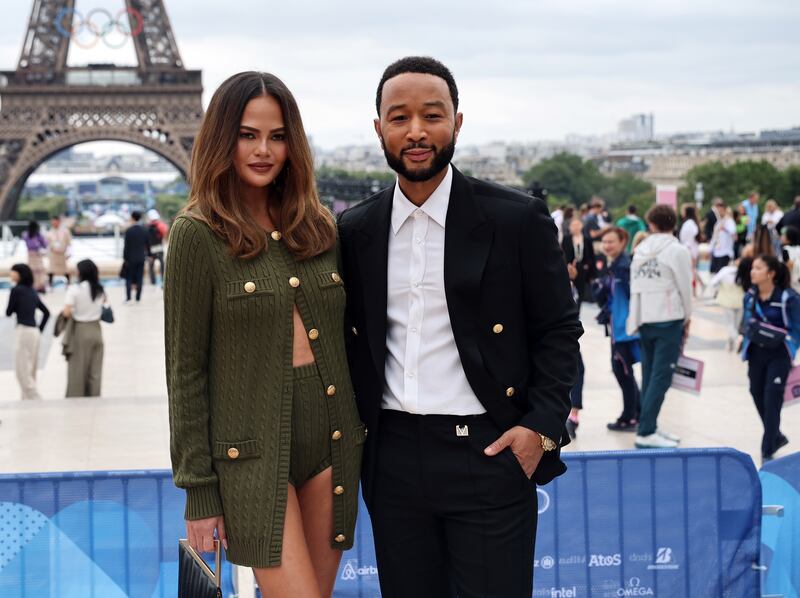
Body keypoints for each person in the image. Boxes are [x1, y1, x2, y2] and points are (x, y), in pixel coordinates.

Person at [338, 56, 582, 598]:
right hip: (393, 459)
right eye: (399, 118)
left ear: (458, 122)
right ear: (378, 129)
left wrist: (539, 427)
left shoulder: (517, 220)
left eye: (433, 115)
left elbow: (559, 330)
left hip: (489, 451)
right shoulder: (354, 231)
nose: (417, 131)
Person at [164, 72, 362, 598]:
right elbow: (185, 373)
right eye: (248, 134)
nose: (263, 149)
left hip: (333, 442)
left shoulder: (319, 228)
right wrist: (199, 492)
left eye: (277, 136)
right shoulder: (196, 234)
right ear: (221, 138)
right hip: (250, 457)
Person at [627, 204, 692, 449]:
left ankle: (649, 425)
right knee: (661, 376)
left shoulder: (641, 248)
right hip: (668, 317)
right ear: (674, 223)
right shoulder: (677, 250)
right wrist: (687, 315)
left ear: (651, 224)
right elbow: (685, 285)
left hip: (644, 318)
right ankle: (645, 430)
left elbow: (635, 286)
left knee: (649, 374)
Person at [741, 255, 796, 461]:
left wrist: (791, 346)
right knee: (756, 392)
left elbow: (797, 328)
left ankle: (767, 449)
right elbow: (746, 323)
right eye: (753, 268)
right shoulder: (749, 296)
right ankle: (776, 435)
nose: (752, 272)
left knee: (772, 396)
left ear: (771, 273)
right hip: (756, 352)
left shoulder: (787, 298)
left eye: (758, 268)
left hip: (779, 354)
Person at [593, 228, 641, 432]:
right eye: (604, 242)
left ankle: (630, 416)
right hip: (618, 328)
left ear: (623, 242)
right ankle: (634, 414)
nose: (606, 246)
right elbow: (601, 297)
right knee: (624, 372)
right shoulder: (612, 266)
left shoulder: (625, 267)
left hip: (626, 330)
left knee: (622, 371)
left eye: (611, 241)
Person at [5, 263, 49, 400]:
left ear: (19, 274)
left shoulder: (16, 290)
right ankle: (26, 402)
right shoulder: (32, 291)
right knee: (31, 371)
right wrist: (40, 329)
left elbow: (8, 312)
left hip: (23, 331)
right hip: (35, 332)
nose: (10, 274)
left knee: (22, 372)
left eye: (13, 272)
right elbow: (46, 313)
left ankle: (36, 400)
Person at [63, 259, 106, 397]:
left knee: (78, 368)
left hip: (80, 331)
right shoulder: (99, 289)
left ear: (81, 272)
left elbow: (67, 312)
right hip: (97, 330)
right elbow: (104, 305)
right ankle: (94, 396)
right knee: (95, 371)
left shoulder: (75, 289)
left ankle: (77, 396)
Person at [709, 259, 745, 351]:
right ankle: (730, 345)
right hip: (740, 302)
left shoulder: (725, 270)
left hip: (727, 301)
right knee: (735, 326)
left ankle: (738, 339)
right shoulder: (744, 271)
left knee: (730, 325)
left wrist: (718, 289)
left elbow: (713, 282)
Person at [562, 217, 597, 304]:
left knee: (581, 290)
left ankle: (578, 310)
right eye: (573, 225)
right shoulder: (566, 239)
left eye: (577, 225)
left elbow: (591, 256)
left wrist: (588, 266)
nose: (575, 227)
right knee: (569, 290)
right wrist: (567, 265)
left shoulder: (587, 239)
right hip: (570, 268)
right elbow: (563, 254)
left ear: (582, 226)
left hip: (583, 269)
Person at [122, 211, 149, 303]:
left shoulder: (129, 231)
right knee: (139, 278)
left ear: (132, 218)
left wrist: (125, 258)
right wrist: (148, 255)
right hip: (141, 258)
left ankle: (129, 298)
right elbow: (147, 245)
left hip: (130, 258)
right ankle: (138, 298)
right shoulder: (144, 230)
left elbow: (126, 246)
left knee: (129, 278)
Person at [679, 204, 703, 294]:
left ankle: (695, 290)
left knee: (691, 270)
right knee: (692, 269)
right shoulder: (691, 223)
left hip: (689, 249)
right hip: (690, 249)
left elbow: (689, 236)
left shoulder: (689, 223)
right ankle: (698, 287)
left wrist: (687, 246)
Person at [21, 221, 48, 292]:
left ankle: (37, 286)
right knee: (38, 271)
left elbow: (44, 245)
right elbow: (44, 245)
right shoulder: (35, 235)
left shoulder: (27, 234)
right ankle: (38, 286)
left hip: (33, 255)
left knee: (35, 271)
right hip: (35, 254)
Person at [47, 215, 72, 288]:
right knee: (51, 270)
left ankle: (68, 284)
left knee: (65, 270)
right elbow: (47, 244)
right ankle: (50, 285)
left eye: (56, 222)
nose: (54, 223)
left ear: (59, 222)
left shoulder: (65, 231)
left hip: (63, 254)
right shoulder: (49, 232)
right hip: (53, 254)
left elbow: (69, 243)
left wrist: (69, 253)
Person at [709, 205, 736, 273]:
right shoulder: (718, 222)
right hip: (716, 252)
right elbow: (714, 237)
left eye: (721, 211)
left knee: (721, 273)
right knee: (714, 272)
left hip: (725, 252)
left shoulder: (729, 222)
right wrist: (711, 248)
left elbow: (733, 232)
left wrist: (724, 228)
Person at [146, 209, 168, 286]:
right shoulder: (161, 225)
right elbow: (166, 233)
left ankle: (153, 281)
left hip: (151, 249)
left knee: (151, 266)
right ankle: (163, 279)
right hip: (159, 247)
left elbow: (146, 240)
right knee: (162, 264)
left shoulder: (147, 227)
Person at [781, 225, 800, 293]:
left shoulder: (785, 250)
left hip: (790, 283)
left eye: (784, 235)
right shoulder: (798, 248)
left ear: (789, 238)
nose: (781, 237)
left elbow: (789, 265)